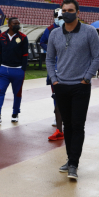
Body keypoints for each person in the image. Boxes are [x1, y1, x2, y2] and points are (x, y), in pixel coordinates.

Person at [46, 0, 99, 180]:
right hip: (61, 86)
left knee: (78, 126)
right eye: (64, 10)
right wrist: (54, 80)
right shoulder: (54, 34)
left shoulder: (89, 32)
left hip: (80, 87)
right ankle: (70, 159)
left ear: (78, 12)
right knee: (67, 126)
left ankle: (74, 164)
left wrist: (86, 78)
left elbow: (97, 57)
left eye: (71, 10)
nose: (67, 13)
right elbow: (49, 59)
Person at [0, 17, 29, 124]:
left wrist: (23, 70)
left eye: (18, 23)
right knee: (0, 91)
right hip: (3, 70)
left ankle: (15, 113)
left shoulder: (23, 37)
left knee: (17, 93)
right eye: (14, 23)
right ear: (9, 25)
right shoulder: (2, 36)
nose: (17, 25)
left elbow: (25, 55)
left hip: (17, 70)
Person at [40, 8, 64, 140]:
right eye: (56, 16)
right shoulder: (50, 30)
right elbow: (42, 42)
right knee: (56, 93)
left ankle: (66, 119)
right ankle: (58, 119)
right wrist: (50, 49)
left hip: (68, 69)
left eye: (60, 16)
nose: (58, 19)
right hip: (54, 66)